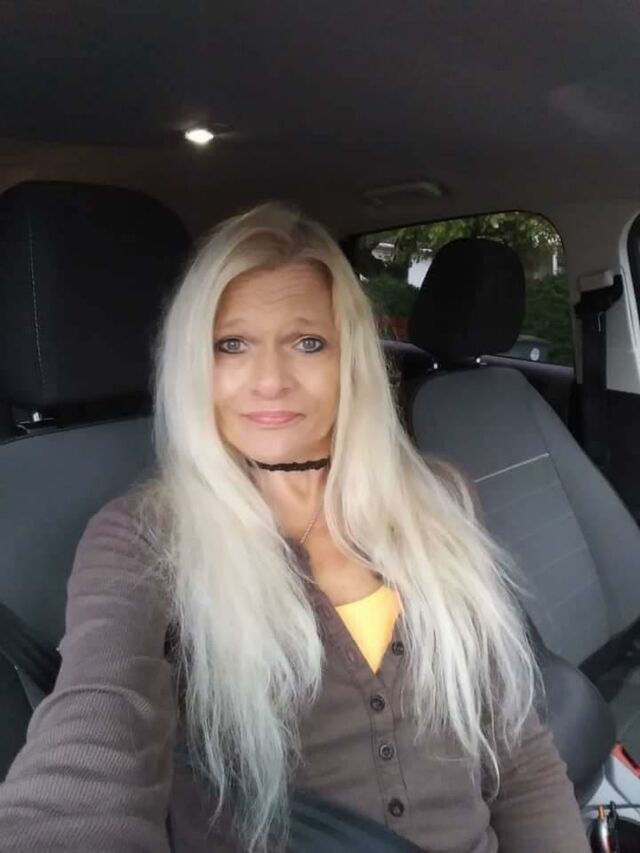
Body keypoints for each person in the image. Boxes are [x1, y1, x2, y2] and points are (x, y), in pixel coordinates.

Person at [0, 203, 588, 852]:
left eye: (308, 343)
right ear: (194, 365)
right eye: (232, 345)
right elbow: (98, 726)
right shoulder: (143, 538)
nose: (271, 382)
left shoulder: (439, 502)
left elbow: (518, 755)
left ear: (349, 359)